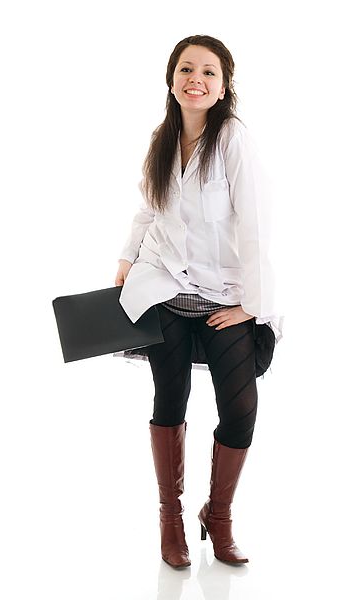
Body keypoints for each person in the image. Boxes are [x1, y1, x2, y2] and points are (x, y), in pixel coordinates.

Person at [114, 34, 281, 568]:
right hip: (163, 288)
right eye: (187, 69)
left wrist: (253, 304)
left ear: (224, 85)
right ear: (171, 79)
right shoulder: (162, 137)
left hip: (224, 293)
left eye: (210, 72)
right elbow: (147, 207)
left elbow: (255, 226)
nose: (197, 79)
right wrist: (124, 261)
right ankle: (171, 520)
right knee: (170, 401)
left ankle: (220, 515)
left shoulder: (232, 138)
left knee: (240, 407)